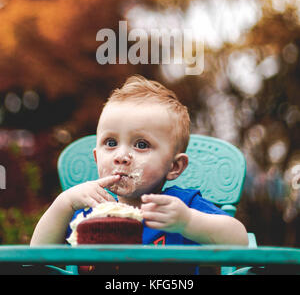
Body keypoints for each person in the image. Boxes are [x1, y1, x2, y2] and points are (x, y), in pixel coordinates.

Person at [30, 75, 248, 273]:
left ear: (174, 167)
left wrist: (188, 222)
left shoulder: (180, 207)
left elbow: (240, 242)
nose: (121, 156)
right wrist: (64, 204)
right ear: (97, 158)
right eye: (111, 143)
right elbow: (37, 256)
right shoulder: (91, 212)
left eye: (141, 144)